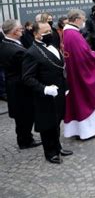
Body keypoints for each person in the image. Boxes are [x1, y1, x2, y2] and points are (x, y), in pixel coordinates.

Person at [22, 21, 72, 164]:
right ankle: (50, 153)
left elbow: (60, 68)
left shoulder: (52, 46)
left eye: (50, 30)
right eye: (45, 32)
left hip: (59, 92)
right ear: (36, 34)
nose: (49, 34)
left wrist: (65, 86)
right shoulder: (31, 52)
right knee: (47, 124)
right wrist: (44, 89)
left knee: (57, 121)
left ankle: (58, 146)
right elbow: (27, 78)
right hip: (45, 95)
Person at [63, 9, 95, 140]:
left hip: (74, 73)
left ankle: (79, 130)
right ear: (76, 19)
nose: (84, 21)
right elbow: (84, 57)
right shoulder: (74, 35)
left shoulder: (68, 33)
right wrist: (94, 56)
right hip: (81, 74)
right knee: (85, 100)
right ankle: (87, 131)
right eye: (83, 19)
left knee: (77, 100)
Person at [0, 19, 40, 149]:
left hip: (13, 85)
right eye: (20, 28)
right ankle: (25, 141)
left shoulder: (5, 43)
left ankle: (25, 138)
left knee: (21, 115)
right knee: (25, 115)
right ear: (14, 31)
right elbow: (27, 69)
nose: (22, 30)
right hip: (20, 88)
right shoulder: (16, 50)